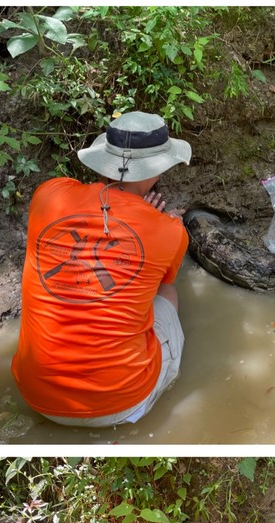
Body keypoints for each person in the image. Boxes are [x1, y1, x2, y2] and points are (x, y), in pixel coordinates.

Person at [12, 111, 190, 428]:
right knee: (166, 292)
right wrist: (151, 218)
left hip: (36, 397)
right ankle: (154, 382)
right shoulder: (171, 231)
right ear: (159, 168)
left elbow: (97, 205)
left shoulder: (48, 195)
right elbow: (156, 282)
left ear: (102, 159)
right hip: (122, 402)